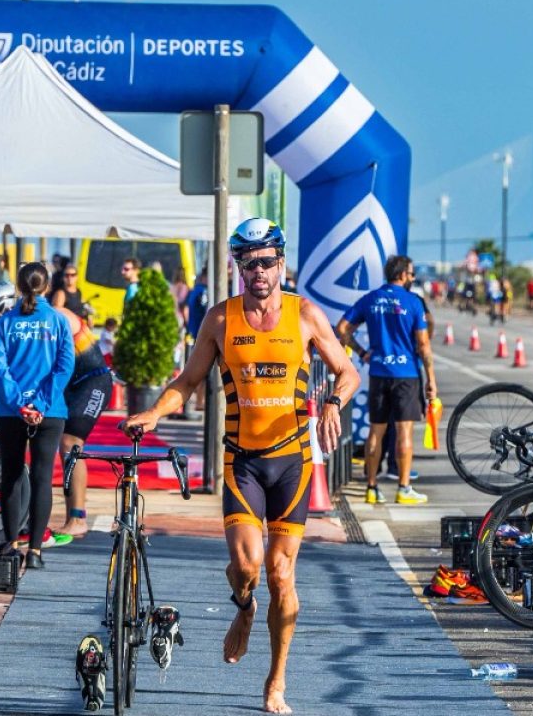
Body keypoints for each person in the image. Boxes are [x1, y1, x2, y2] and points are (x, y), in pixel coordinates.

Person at [126, 217, 361, 715]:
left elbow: (347, 372)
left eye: (267, 262)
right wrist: (152, 412)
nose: (259, 272)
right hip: (243, 464)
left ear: (281, 263)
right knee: (247, 568)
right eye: (248, 263)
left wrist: (334, 403)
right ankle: (244, 608)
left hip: (293, 463)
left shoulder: (305, 315)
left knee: (281, 574)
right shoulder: (219, 319)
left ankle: (276, 681)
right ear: (237, 266)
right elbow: (187, 381)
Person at [0, 264, 74, 570]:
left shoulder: (6, 321)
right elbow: (64, 367)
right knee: (41, 479)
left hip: (11, 412)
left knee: (10, 476)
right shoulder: (58, 321)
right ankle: (35, 551)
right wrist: (41, 403)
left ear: (19, 287)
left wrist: (20, 403)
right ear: (47, 286)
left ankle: (10, 546)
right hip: (49, 412)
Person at [337, 255, 436, 506]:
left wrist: (362, 353)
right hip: (407, 375)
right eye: (411, 274)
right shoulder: (413, 302)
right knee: (404, 433)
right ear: (403, 274)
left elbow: (342, 329)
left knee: (376, 431)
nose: (413, 278)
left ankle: (372, 488)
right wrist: (431, 380)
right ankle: (403, 488)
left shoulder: (371, 299)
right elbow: (423, 344)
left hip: (379, 372)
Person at [56, 300, 116, 540]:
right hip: (75, 386)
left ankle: (78, 518)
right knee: (65, 445)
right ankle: (73, 515)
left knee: (71, 444)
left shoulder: (59, 316)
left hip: (94, 382)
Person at [183, 268, 210, 342]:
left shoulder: (194, 290)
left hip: (194, 328)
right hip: (200, 328)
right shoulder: (203, 291)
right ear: (204, 277)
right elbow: (205, 310)